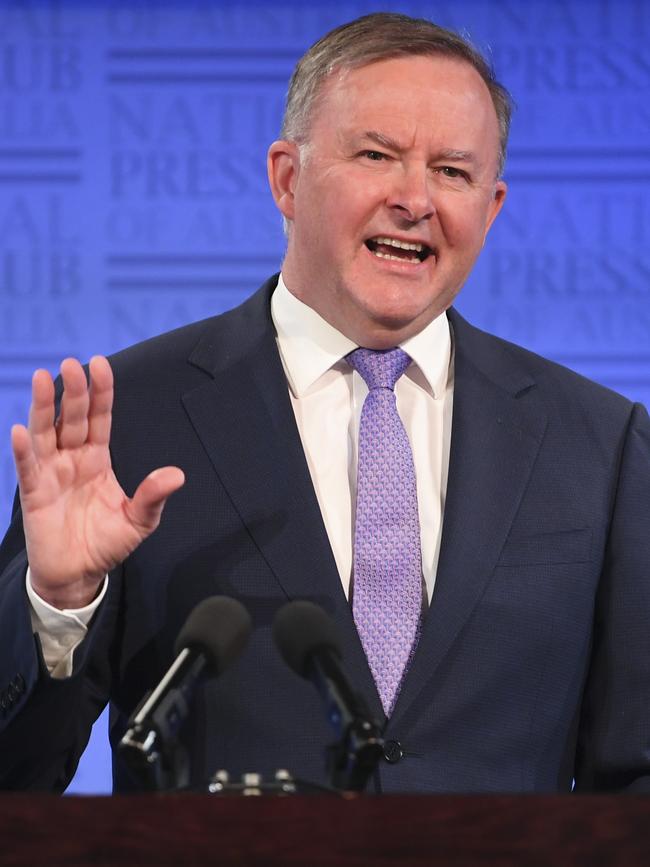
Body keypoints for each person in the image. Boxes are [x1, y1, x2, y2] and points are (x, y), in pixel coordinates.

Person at [1, 11, 650, 793]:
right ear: (287, 178)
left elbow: (633, 778)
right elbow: (18, 773)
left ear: (493, 206)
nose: (415, 198)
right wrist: (59, 603)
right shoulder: (129, 417)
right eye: (377, 155)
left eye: (453, 171)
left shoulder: (600, 442)